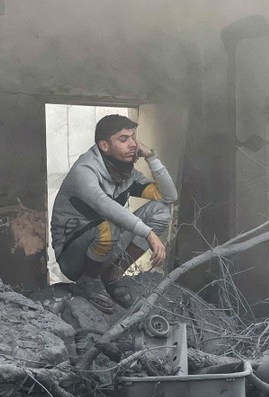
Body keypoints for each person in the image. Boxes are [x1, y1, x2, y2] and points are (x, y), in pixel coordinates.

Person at [51, 114, 178, 312]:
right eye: (123, 139)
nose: (133, 144)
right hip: (72, 255)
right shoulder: (85, 170)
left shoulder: (126, 173)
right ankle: (89, 280)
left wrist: (152, 157)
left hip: (105, 245)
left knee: (160, 212)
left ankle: (112, 276)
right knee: (110, 223)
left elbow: (168, 196)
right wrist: (148, 233)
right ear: (104, 146)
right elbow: (103, 205)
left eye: (133, 137)